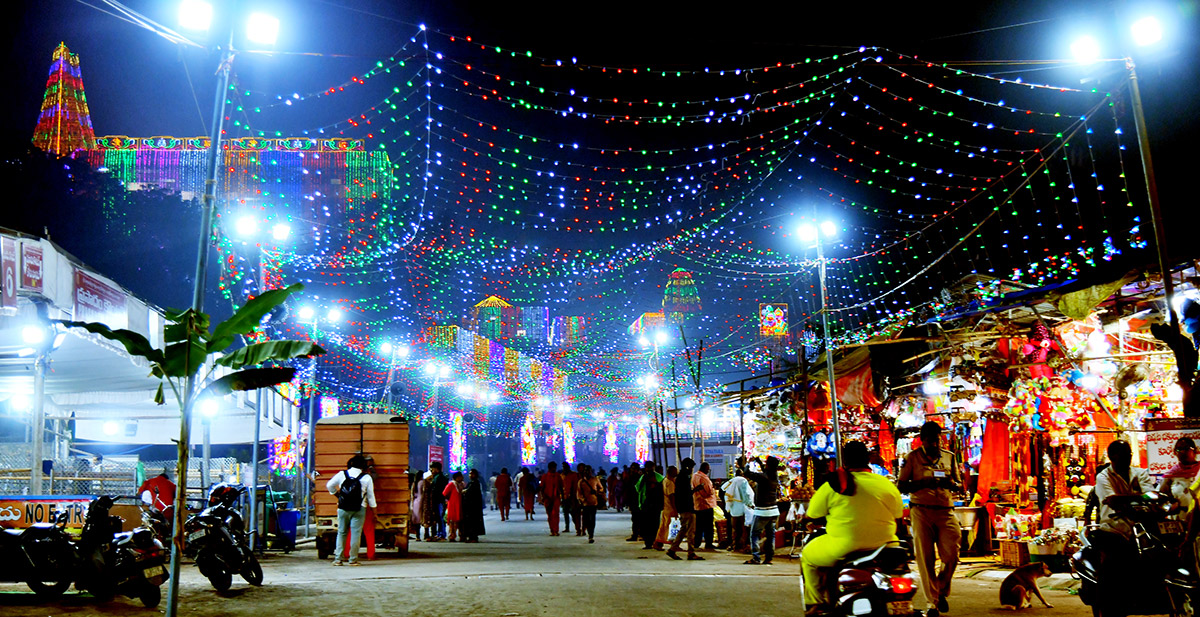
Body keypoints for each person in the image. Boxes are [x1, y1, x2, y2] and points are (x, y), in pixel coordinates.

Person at [800, 441, 905, 615]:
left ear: (844, 460)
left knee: (808, 556)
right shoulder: (886, 484)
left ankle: (816, 604)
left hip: (846, 545)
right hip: (886, 545)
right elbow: (898, 514)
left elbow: (812, 514)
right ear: (868, 459)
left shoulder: (833, 484)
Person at [897, 421, 963, 617]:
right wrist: (922, 482)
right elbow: (901, 486)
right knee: (925, 558)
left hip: (945, 510)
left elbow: (959, 484)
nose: (934, 445)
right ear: (922, 440)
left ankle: (941, 589)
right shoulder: (912, 458)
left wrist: (950, 483)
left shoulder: (949, 457)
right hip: (921, 511)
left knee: (952, 553)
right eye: (930, 441)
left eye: (937, 440)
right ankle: (931, 603)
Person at [325, 454, 377, 566]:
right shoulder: (366, 478)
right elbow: (371, 497)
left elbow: (329, 485)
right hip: (359, 508)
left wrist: (337, 495)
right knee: (356, 534)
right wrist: (374, 512)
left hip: (343, 507)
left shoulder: (342, 474)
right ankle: (353, 560)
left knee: (342, 532)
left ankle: (338, 559)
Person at [743, 455, 781, 565]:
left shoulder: (763, 477)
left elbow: (747, 473)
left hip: (762, 511)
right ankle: (769, 558)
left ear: (768, 465)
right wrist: (759, 462)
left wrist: (748, 463)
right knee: (770, 535)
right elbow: (765, 470)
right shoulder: (774, 476)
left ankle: (756, 557)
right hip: (774, 511)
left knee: (754, 533)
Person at [667, 458, 703, 561]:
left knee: (683, 530)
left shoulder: (680, 477)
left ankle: (673, 549)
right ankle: (691, 552)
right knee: (691, 531)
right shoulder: (684, 477)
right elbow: (685, 494)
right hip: (687, 507)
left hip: (683, 507)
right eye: (691, 467)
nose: (692, 469)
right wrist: (696, 490)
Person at [1160, 438, 1200, 515]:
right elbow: (1162, 499)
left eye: (1186, 449)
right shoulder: (1170, 475)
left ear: (1195, 451)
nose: (1182, 452)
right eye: (1178, 449)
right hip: (1180, 518)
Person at [722, 466, 754, 553]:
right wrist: (750, 504)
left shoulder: (731, 481)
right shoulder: (742, 481)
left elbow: (723, 490)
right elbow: (745, 494)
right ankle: (743, 546)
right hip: (742, 507)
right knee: (744, 528)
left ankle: (735, 545)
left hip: (734, 508)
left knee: (735, 528)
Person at [636, 460, 664, 550]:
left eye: (651, 467)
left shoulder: (659, 478)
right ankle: (648, 543)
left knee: (654, 524)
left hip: (655, 504)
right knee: (647, 525)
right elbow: (638, 488)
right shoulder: (643, 477)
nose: (649, 469)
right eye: (648, 467)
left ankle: (654, 542)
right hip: (646, 504)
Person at [576, 464, 605, 542]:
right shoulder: (581, 482)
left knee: (592, 520)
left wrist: (597, 492)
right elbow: (579, 494)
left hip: (593, 503)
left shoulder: (595, 480)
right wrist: (582, 500)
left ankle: (591, 535)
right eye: (586, 471)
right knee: (586, 520)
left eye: (589, 471)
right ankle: (588, 532)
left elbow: (601, 488)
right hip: (585, 504)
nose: (587, 473)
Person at [693, 461, 717, 550]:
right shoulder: (704, 478)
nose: (708, 470)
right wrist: (713, 489)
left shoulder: (694, 475)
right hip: (706, 504)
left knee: (698, 526)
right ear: (705, 468)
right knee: (708, 526)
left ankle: (696, 542)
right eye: (708, 469)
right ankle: (708, 543)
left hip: (697, 504)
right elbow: (708, 492)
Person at [655, 465, 679, 549]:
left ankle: (658, 543)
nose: (677, 473)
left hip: (666, 507)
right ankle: (673, 544)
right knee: (672, 527)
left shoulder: (665, 480)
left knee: (664, 526)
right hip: (670, 508)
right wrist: (675, 509)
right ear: (671, 472)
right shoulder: (670, 483)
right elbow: (672, 496)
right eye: (675, 471)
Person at [460, 469, 487, 542]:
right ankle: (471, 536)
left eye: (472, 474)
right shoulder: (471, 483)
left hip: (474, 507)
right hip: (470, 506)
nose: (470, 475)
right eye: (469, 474)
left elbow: (470, 493)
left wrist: (465, 491)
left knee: (473, 522)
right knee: (470, 522)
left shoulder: (475, 483)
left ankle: (473, 537)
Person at [428, 461, 450, 539]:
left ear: (436, 469)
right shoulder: (441, 477)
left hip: (438, 500)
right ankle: (440, 533)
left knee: (440, 518)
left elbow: (436, 490)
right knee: (439, 517)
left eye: (432, 468)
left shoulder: (438, 478)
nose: (431, 470)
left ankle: (441, 534)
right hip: (440, 500)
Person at [541, 462, 563, 535]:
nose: (554, 469)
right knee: (550, 515)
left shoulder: (557, 476)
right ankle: (552, 530)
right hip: (547, 498)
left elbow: (561, 487)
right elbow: (542, 487)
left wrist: (562, 496)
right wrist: (542, 497)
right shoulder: (545, 476)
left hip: (556, 497)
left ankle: (556, 530)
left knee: (555, 514)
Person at [443, 471, 464, 541]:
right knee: (452, 522)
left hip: (460, 506)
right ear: (457, 478)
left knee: (460, 521)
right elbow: (445, 493)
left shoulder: (462, 484)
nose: (462, 478)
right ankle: (452, 536)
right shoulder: (451, 484)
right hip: (453, 506)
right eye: (461, 476)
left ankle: (462, 536)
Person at [561, 462, 581, 535]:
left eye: (565, 467)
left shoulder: (573, 475)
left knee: (574, 513)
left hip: (572, 497)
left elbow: (575, 486)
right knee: (565, 513)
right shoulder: (562, 475)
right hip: (564, 497)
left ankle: (578, 528)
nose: (564, 468)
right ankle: (567, 527)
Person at [624, 462, 642, 541]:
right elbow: (627, 491)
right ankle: (636, 534)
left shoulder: (639, 478)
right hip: (634, 501)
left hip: (638, 501)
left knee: (637, 519)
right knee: (635, 519)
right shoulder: (631, 478)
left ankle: (637, 534)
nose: (633, 470)